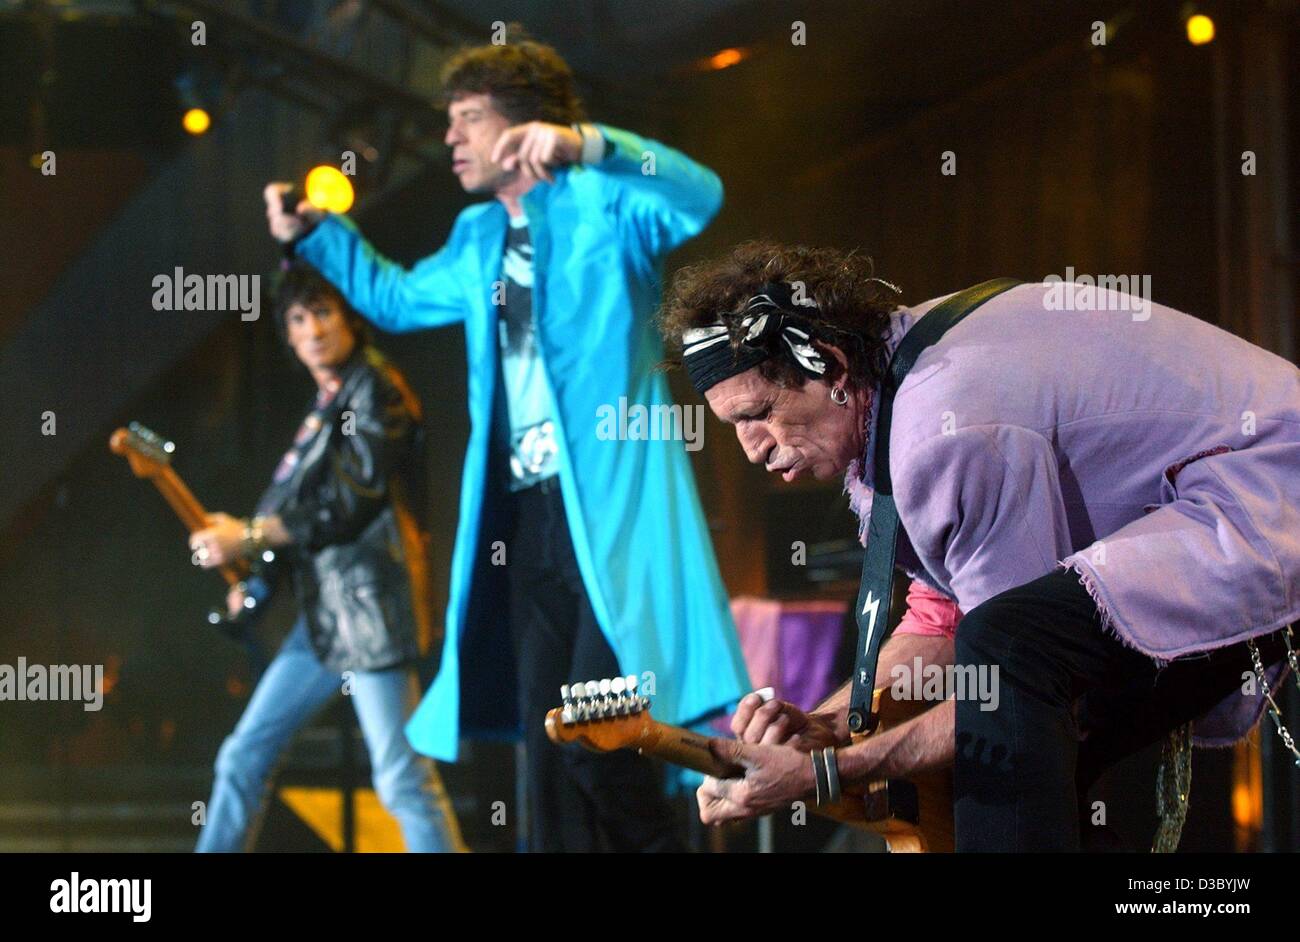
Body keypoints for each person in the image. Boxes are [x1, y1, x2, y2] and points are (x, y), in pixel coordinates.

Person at [263, 28, 749, 851]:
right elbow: (397, 299)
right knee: (549, 738)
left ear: (524, 127)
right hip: (524, 521)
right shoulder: (477, 236)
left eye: (468, 119)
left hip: (615, 516)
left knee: (610, 732)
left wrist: (591, 145)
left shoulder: (606, 205)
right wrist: (317, 233)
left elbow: (698, 195)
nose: (449, 138)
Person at [659, 241, 1300, 851]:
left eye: (758, 413)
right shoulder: (906, 378)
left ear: (827, 363)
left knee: (1011, 675)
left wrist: (829, 773)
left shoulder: (944, 425)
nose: (752, 448)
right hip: (1238, 504)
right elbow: (944, 613)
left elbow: (1007, 677)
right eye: (733, 425)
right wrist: (824, 725)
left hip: (1270, 491)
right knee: (1015, 746)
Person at [190, 264, 463, 853]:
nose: (312, 329)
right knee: (243, 755)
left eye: (322, 312)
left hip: (367, 613)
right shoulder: (324, 408)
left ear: (349, 318)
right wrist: (255, 577)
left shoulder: (377, 387)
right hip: (323, 621)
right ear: (286, 336)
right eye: (296, 318)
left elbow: (352, 498)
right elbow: (301, 520)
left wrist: (252, 533)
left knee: (399, 777)